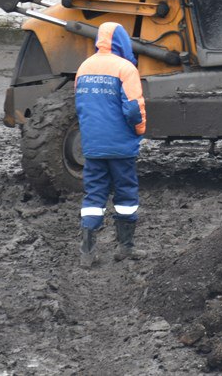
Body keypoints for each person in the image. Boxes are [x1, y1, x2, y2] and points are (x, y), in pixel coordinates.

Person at [75, 21, 146, 267]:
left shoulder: (84, 67)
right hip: (121, 147)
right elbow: (133, 109)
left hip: (93, 146)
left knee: (93, 194)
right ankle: (125, 247)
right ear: (122, 42)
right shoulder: (125, 68)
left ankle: (87, 252)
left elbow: (80, 107)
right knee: (125, 193)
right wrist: (139, 131)